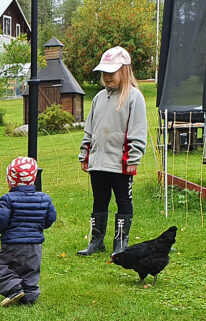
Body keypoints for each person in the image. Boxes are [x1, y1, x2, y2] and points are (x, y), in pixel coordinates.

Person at [77, 46, 148, 257]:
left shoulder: (134, 97)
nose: (107, 77)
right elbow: (90, 128)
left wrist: (133, 157)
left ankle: (121, 244)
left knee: (123, 201)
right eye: (104, 73)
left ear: (124, 71)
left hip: (120, 163)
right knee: (99, 201)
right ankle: (96, 241)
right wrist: (85, 154)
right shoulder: (99, 98)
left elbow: (137, 129)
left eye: (111, 72)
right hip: (98, 162)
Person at [0, 157, 58, 307]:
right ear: (34, 178)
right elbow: (50, 218)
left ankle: (13, 288)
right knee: (30, 270)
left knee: (0, 265)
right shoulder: (44, 199)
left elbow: (1, 220)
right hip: (35, 245)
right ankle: (30, 297)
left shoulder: (8, 199)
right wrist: (39, 226)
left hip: (13, 244)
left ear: (10, 180)